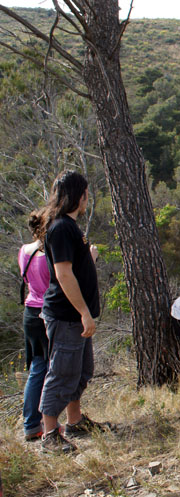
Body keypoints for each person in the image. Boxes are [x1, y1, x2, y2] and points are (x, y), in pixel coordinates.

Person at [37, 170, 104, 454]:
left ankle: (74, 422)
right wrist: (83, 313)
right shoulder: (62, 227)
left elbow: (72, 266)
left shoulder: (68, 227)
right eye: (86, 193)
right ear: (80, 196)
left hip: (75, 316)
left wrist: (89, 258)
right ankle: (49, 436)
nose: (88, 198)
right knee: (62, 373)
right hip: (67, 316)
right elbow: (63, 275)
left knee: (81, 371)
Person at [18, 210, 52, 442]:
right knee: (49, 368)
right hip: (46, 313)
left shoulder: (24, 251)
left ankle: (32, 422)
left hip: (30, 313)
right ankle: (41, 421)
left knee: (37, 367)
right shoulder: (46, 254)